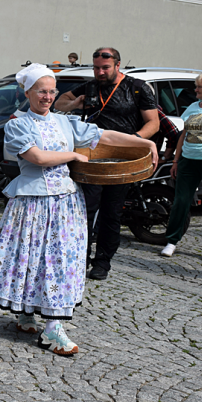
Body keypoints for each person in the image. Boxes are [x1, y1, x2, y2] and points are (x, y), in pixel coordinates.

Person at [0, 64, 158, 356]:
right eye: (41, 91)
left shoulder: (65, 122)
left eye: (51, 91)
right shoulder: (18, 124)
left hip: (65, 201)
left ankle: (48, 323)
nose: (47, 97)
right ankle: (41, 323)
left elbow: (105, 136)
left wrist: (144, 141)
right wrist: (74, 154)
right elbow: (35, 156)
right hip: (33, 202)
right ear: (28, 92)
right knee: (32, 257)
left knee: (59, 259)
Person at [54, 47, 159, 280]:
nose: (100, 72)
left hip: (120, 160)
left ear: (118, 65)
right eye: (96, 67)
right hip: (92, 157)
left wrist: (136, 143)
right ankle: (80, 258)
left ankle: (102, 262)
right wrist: (74, 104)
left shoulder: (137, 87)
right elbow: (60, 103)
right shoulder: (91, 86)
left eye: (105, 68)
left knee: (111, 213)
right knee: (85, 210)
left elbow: (153, 123)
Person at [161, 74, 202, 257]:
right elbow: (183, 136)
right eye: (196, 86)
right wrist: (176, 160)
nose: (195, 90)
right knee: (181, 201)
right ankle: (172, 241)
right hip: (188, 160)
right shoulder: (192, 108)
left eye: (198, 87)